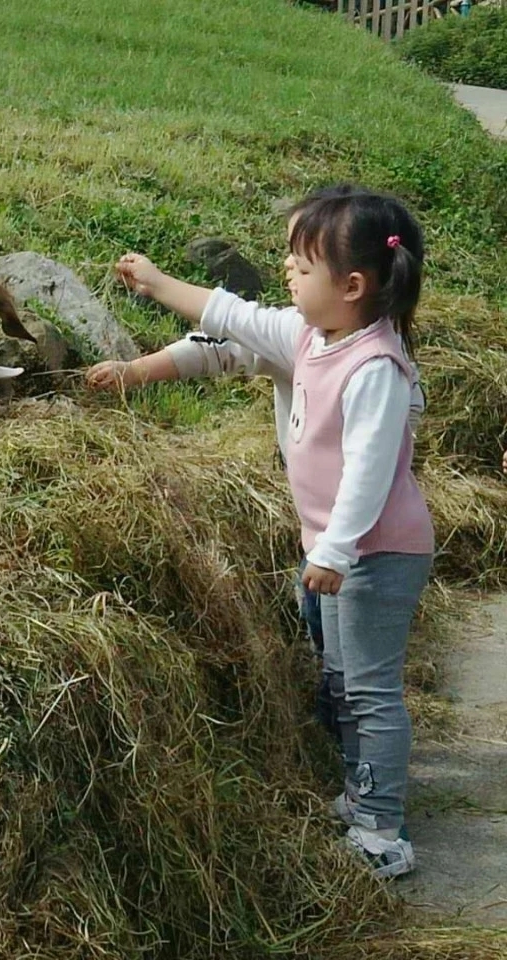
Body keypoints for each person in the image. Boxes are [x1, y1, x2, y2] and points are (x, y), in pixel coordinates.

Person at [113, 185, 434, 879]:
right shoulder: (312, 335)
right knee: (342, 681)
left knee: (371, 690)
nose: (286, 272)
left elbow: (370, 472)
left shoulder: (375, 366)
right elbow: (229, 320)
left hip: (375, 555)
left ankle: (385, 832)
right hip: (335, 554)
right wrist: (157, 286)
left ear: (352, 285)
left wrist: (336, 550)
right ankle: (360, 796)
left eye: (300, 262)